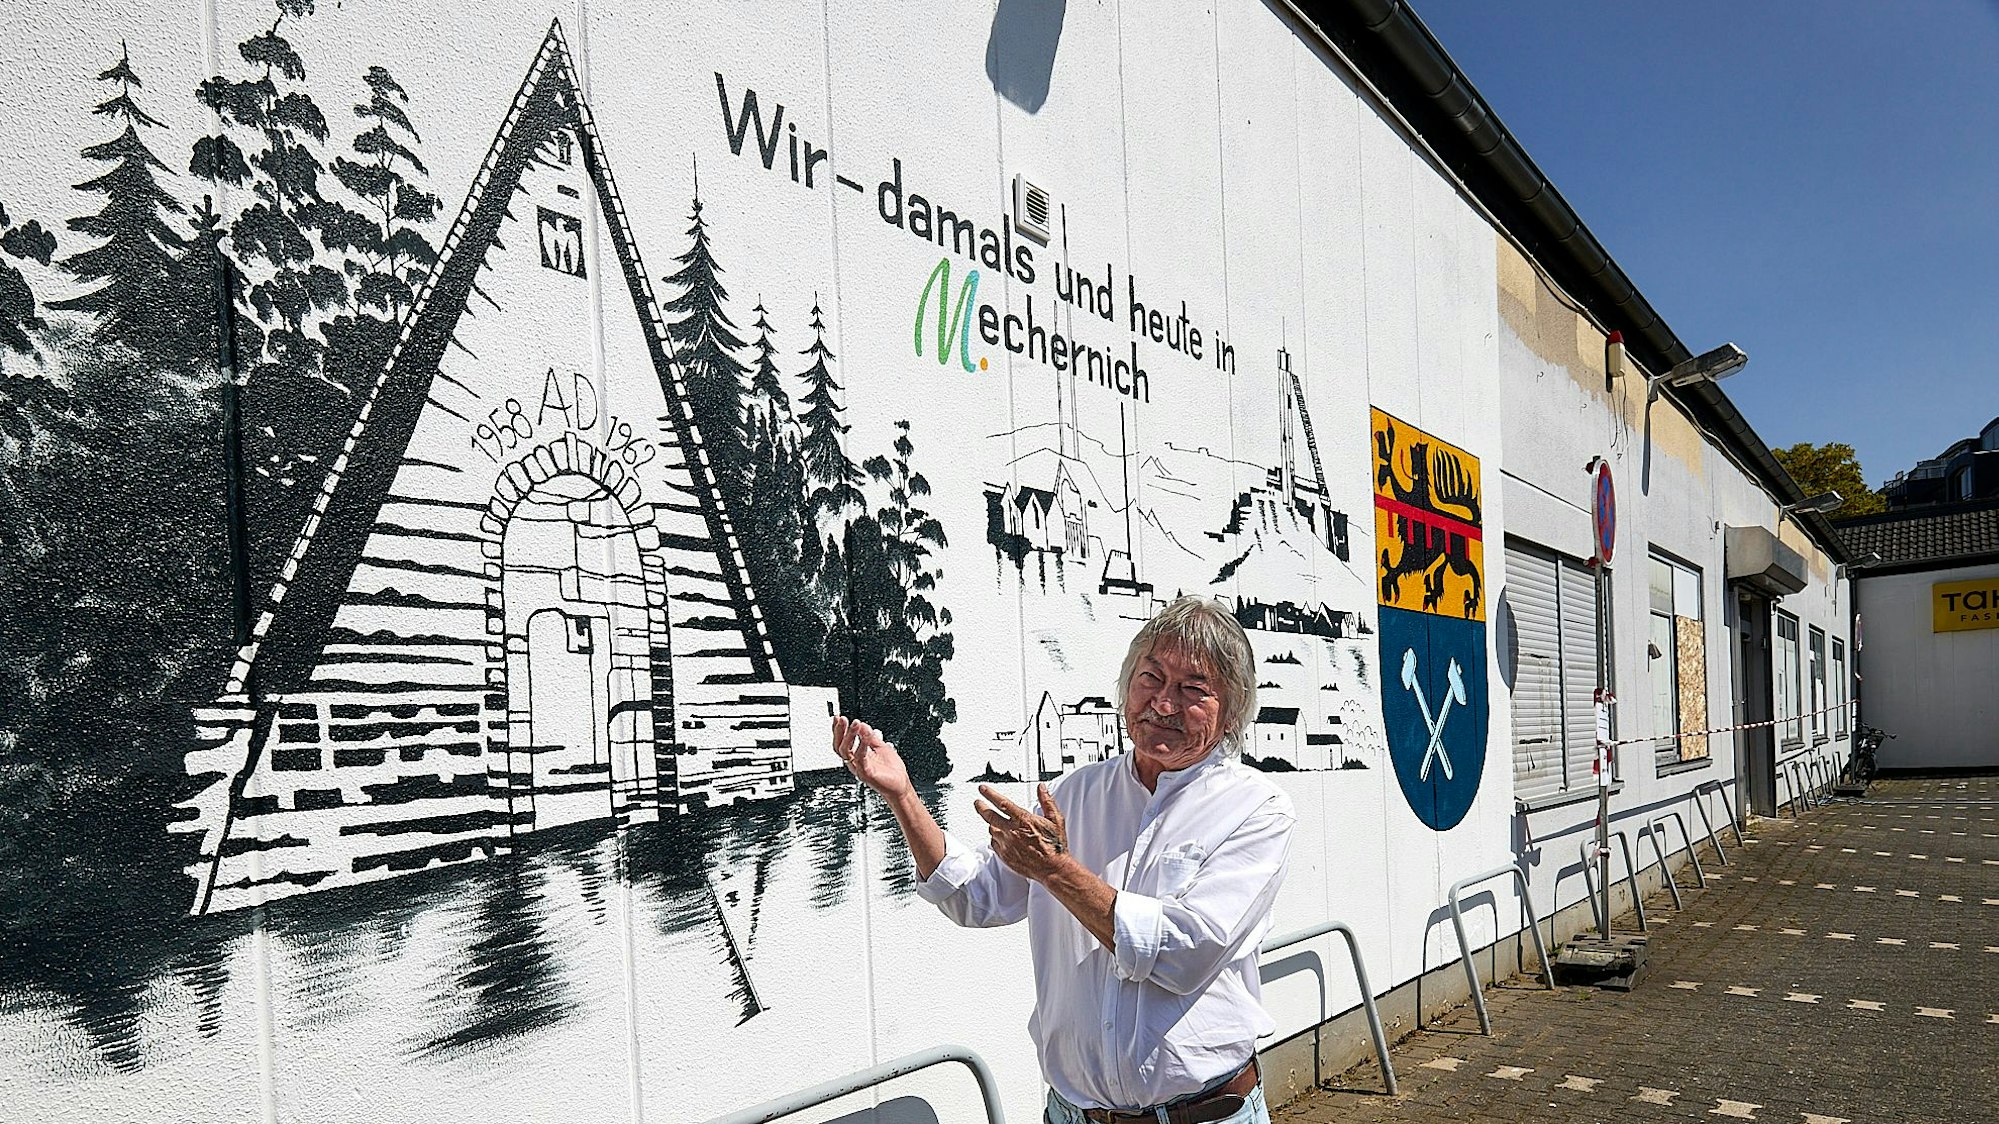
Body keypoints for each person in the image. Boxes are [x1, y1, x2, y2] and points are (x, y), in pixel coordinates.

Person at [832, 595, 1295, 1124]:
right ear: (1127, 685)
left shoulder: (1257, 809)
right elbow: (976, 895)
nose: (1164, 704)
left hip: (1204, 1114)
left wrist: (1056, 870)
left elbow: (1184, 952)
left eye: (1193, 689)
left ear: (1231, 711)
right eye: (1151, 677)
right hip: (1072, 1113)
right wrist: (903, 795)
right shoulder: (1074, 792)